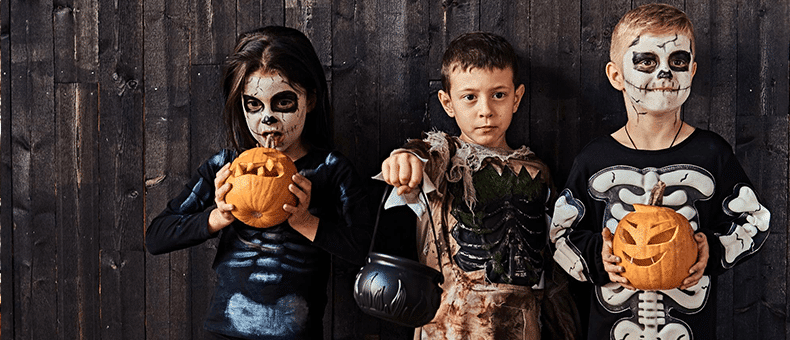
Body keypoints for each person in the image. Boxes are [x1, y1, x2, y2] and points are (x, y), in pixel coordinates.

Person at [549, 4, 771, 340]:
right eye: (647, 62)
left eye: (678, 61)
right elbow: (559, 234)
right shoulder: (594, 159)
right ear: (616, 76)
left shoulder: (712, 153)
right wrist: (598, 255)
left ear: (692, 71)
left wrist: (713, 248)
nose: (665, 74)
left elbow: (756, 220)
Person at [145, 26, 372, 340]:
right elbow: (157, 237)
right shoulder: (225, 167)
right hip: (226, 331)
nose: (268, 119)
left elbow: (368, 249)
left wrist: (306, 221)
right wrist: (219, 215)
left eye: (282, 103)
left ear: (310, 100)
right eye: (254, 104)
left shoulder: (330, 169)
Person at [379, 32, 578, 340]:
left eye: (498, 94)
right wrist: (403, 158)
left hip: (522, 324)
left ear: (517, 97)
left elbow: (554, 264)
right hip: (449, 325)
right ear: (447, 102)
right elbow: (416, 160)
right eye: (469, 97)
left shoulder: (536, 171)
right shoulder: (441, 159)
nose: (485, 110)